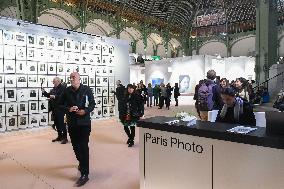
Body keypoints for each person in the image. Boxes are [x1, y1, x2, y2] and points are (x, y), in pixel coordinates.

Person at [59, 72, 95, 187]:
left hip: (84, 123)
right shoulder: (66, 90)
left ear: (79, 79)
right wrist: (69, 109)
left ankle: (85, 174)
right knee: (75, 146)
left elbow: (92, 104)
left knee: (83, 146)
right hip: (72, 122)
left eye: (73, 77)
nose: (71, 79)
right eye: (70, 77)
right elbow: (59, 104)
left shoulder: (86, 90)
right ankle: (81, 162)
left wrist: (85, 111)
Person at [42, 77, 67, 144]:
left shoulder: (63, 88)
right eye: (53, 81)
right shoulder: (53, 88)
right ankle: (59, 136)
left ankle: (65, 138)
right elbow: (49, 95)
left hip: (61, 109)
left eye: (54, 81)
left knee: (62, 124)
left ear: (58, 81)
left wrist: (54, 97)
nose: (53, 83)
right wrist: (44, 92)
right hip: (54, 108)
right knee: (57, 123)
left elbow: (62, 97)